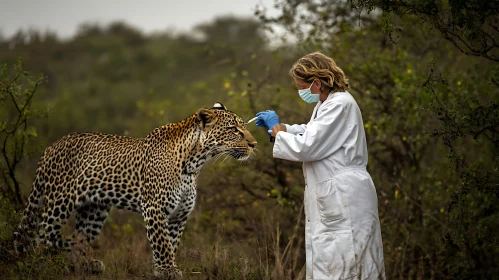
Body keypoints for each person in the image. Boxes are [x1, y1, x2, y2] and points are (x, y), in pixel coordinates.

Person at [255, 52, 386, 280]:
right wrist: (282, 128)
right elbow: (310, 131)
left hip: (344, 193)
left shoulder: (341, 104)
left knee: (348, 265)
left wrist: (277, 132)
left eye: (302, 86)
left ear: (316, 83)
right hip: (335, 193)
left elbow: (309, 145)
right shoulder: (326, 105)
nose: (301, 92)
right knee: (333, 262)